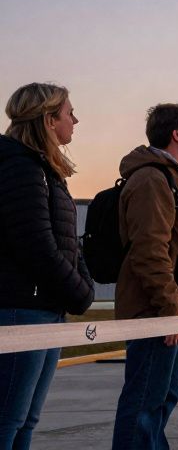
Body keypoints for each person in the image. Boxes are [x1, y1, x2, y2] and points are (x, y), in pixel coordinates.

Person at [111, 103, 178, 450]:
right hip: (158, 310)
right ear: (176, 134)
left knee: (161, 399)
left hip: (177, 308)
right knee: (144, 402)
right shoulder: (153, 178)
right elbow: (150, 250)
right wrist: (168, 307)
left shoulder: (176, 177)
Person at [0, 83, 95, 450]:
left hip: (45, 308)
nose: (75, 120)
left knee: (26, 419)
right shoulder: (20, 168)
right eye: (69, 113)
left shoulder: (44, 170)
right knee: (8, 418)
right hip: (21, 310)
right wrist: (80, 292)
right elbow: (35, 244)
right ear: (49, 120)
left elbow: (69, 245)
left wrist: (79, 285)